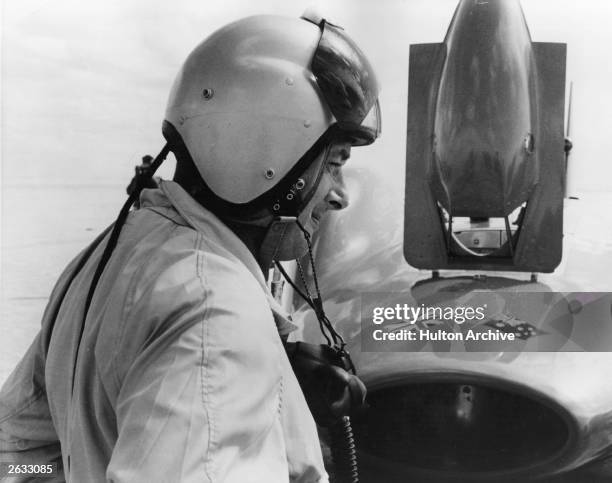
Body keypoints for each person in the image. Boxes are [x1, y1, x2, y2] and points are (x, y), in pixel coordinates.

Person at [0, 12, 380, 483]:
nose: (340, 194)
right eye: (335, 162)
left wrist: (271, 386)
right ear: (273, 156)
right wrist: (231, 372)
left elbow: (18, 455)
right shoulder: (216, 322)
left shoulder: (109, 253)